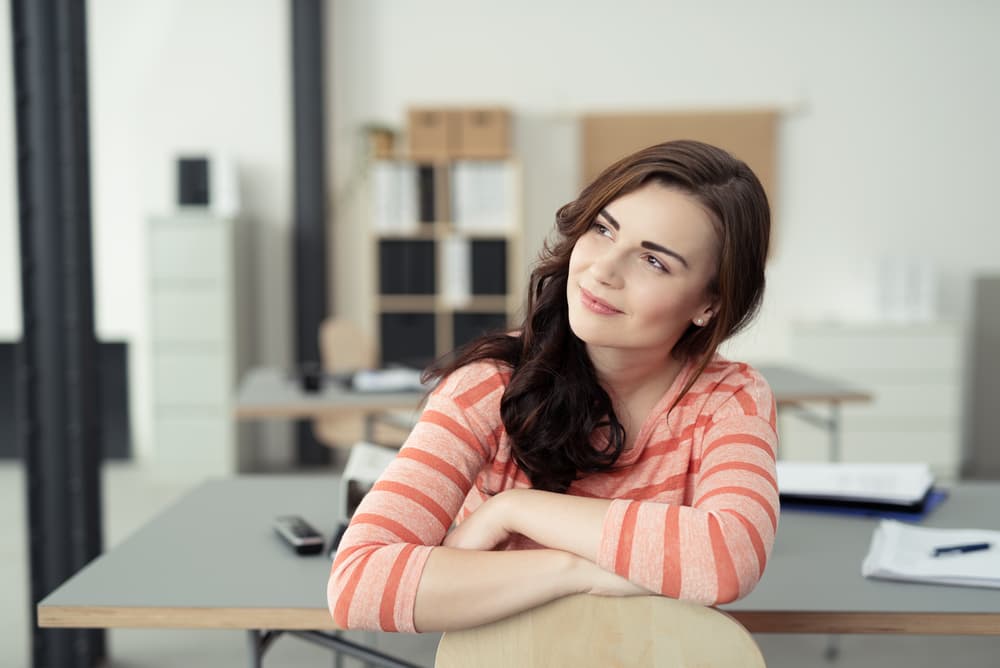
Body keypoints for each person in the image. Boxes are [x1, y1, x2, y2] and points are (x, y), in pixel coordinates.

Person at [327, 139, 778, 633]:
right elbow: (358, 584)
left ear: (710, 304)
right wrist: (574, 571)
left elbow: (729, 557)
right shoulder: (488, 385)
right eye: (603, 230)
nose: (603, 270)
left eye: (654, 261)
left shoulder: (729, 398)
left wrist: (513, 510)